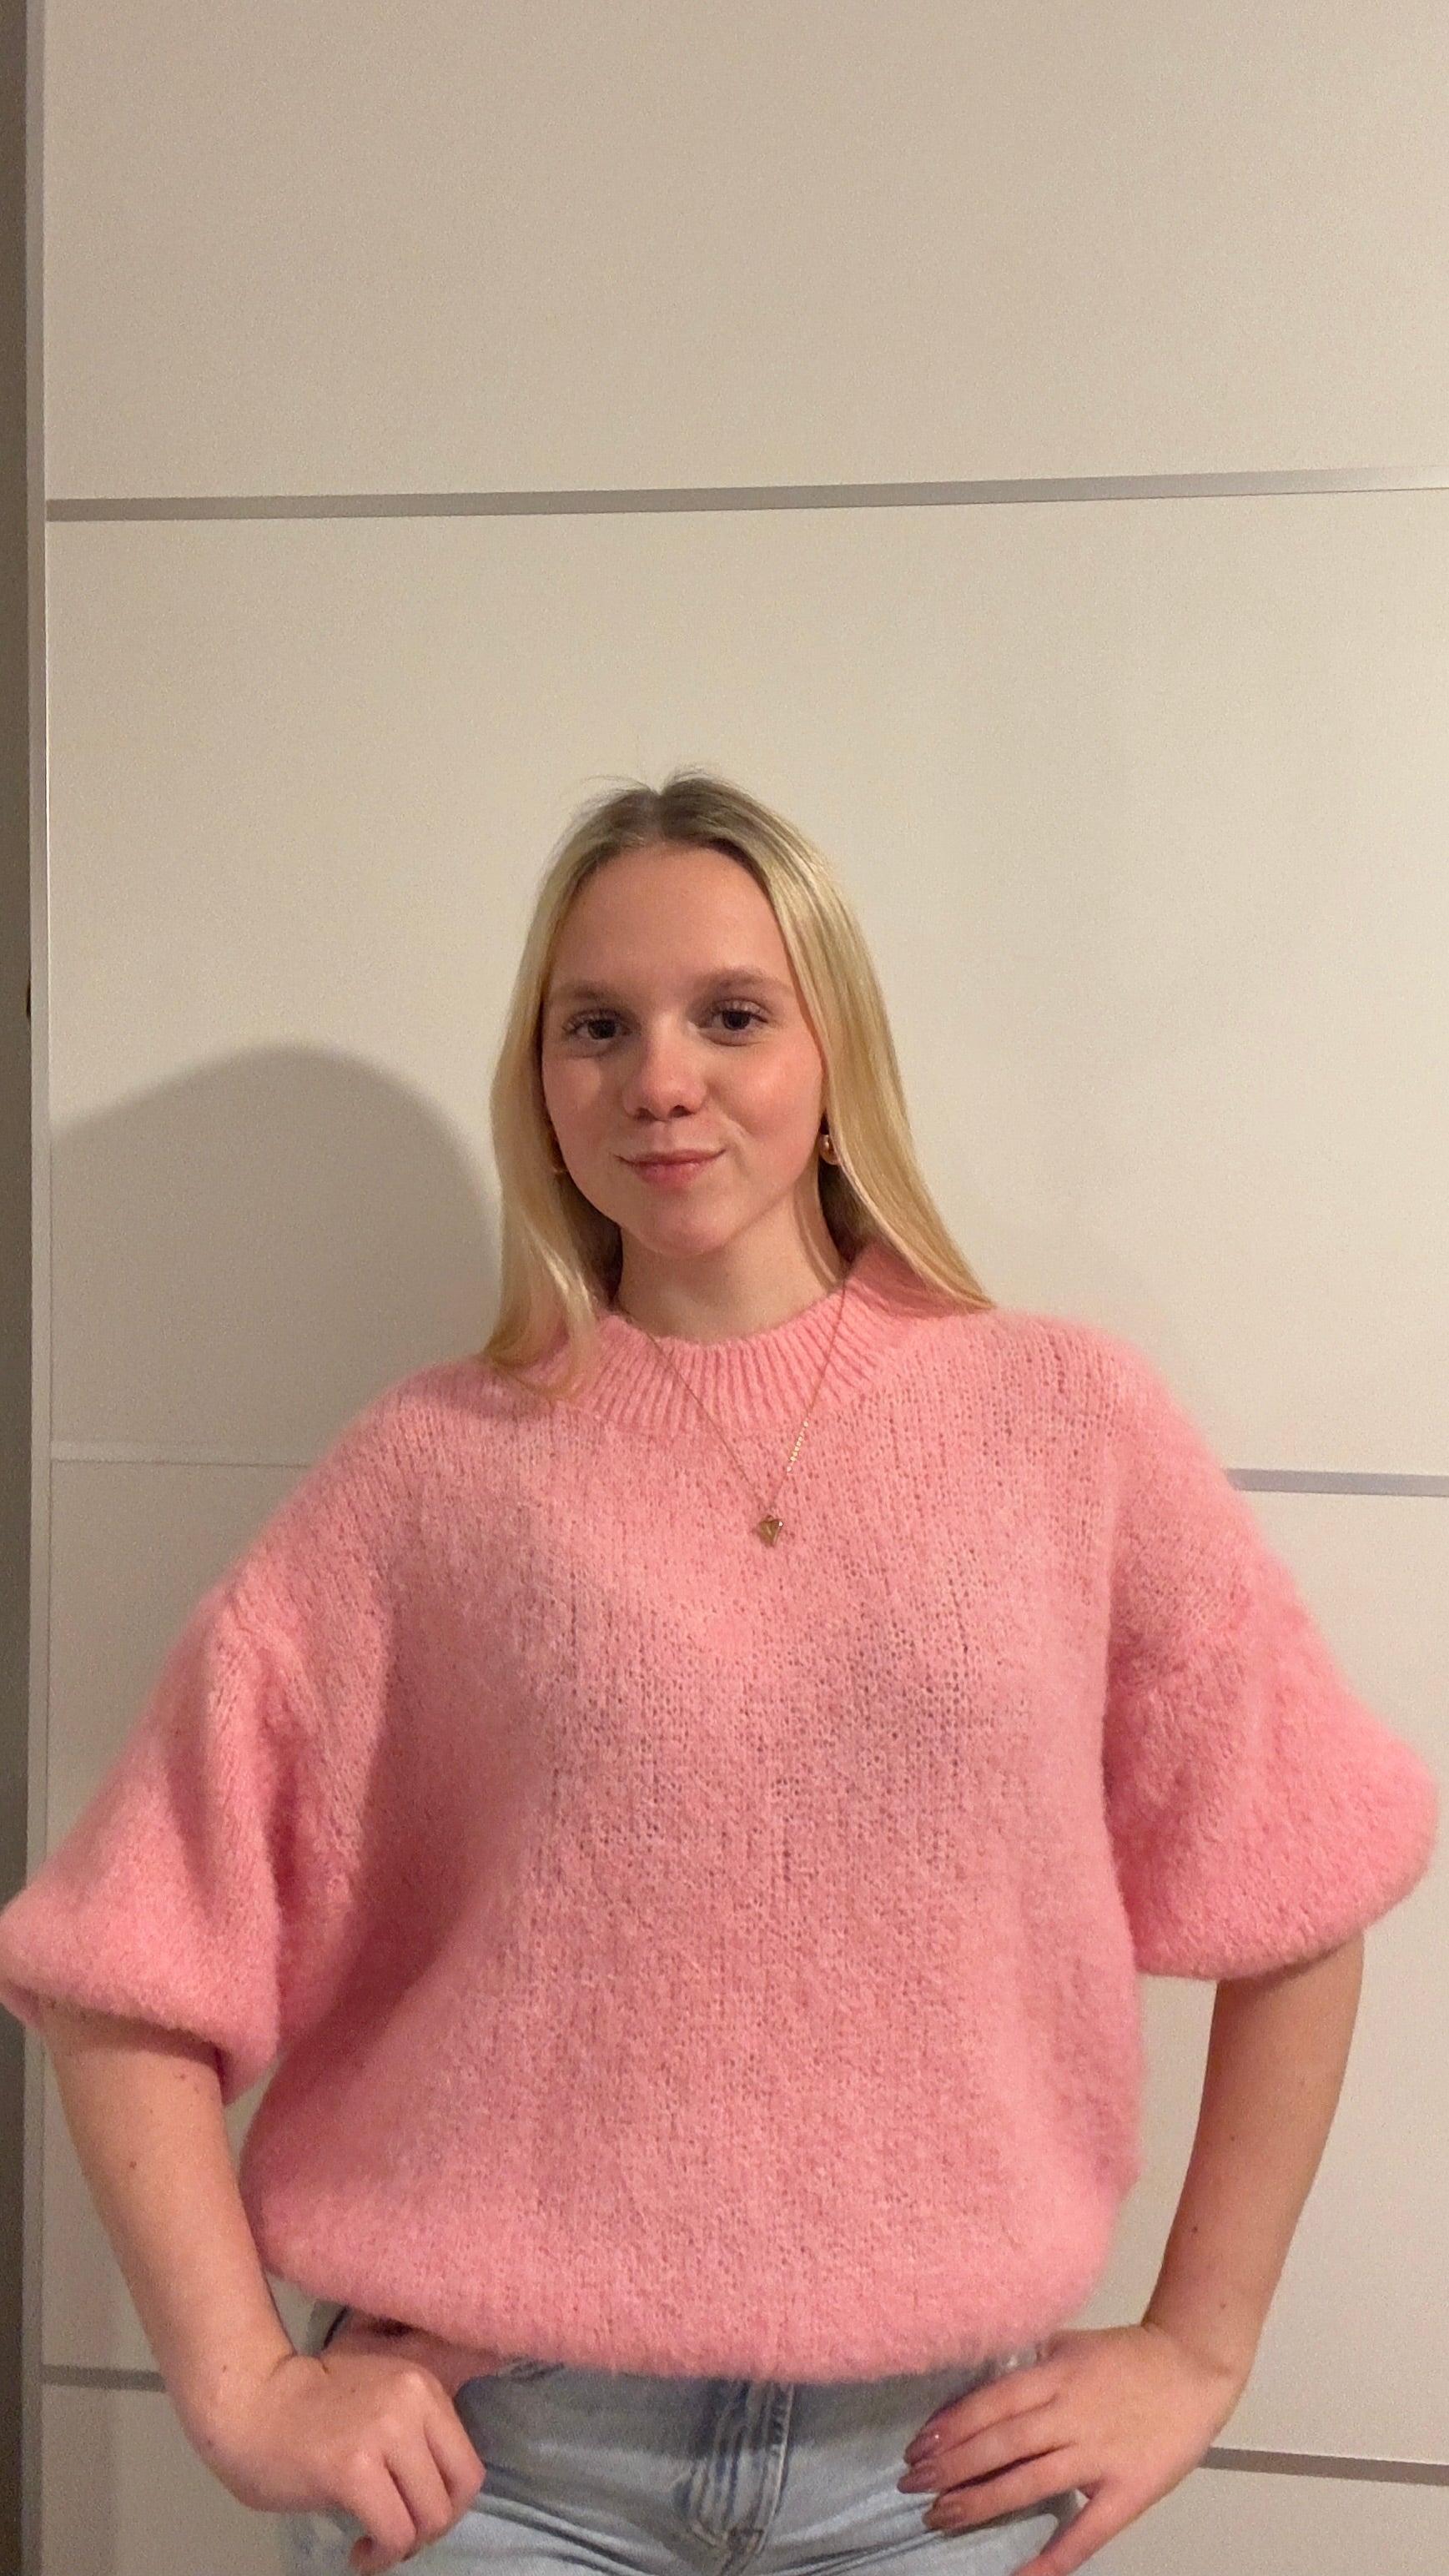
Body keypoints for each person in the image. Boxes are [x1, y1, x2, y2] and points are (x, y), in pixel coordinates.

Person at [0, 770, 1436, 2576]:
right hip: (491, 2467)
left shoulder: (1062, 1423)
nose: (658, 1078)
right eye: (594, 1024)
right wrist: (238, 2385)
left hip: (931, 2469)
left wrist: (1196, 2347)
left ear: (835, 1052)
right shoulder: (433, 1473)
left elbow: (1302, 1880)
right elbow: (122, 1959)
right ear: (540, 1077)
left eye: (731, 1015)